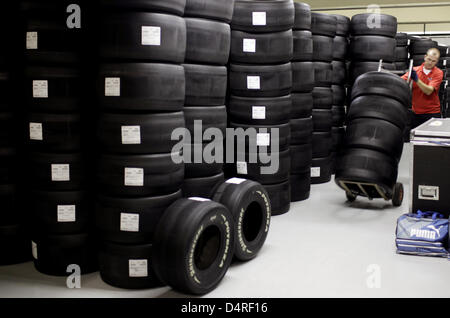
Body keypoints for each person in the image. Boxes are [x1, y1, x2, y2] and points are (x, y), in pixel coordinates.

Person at [401, 47, 444, 128]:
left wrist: (416, 79)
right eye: (429, 59)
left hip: (431, 113)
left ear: (437, 62)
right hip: (415, 113)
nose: (430, 62)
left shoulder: (438, 73)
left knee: (430, 138)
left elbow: (428, 91)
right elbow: (400, 82)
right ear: (425, 57)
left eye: (433, 61)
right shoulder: (415, 70)